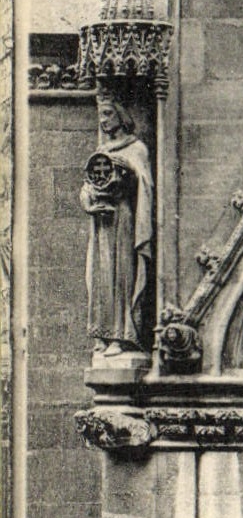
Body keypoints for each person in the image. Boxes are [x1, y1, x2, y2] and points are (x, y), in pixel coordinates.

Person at [80, 94, 154, 357]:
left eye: (108, 113)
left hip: (122, 218)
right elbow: (87, 186)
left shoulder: (136, 149)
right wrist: (89, 204)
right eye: (101, 114)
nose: (103, 119)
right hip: (101, 221)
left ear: (121, 116)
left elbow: (146, 185)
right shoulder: (102, 152)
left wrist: (130, 172)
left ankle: (121, 337)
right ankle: (101, 333)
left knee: (121, 274)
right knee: (100, 275)